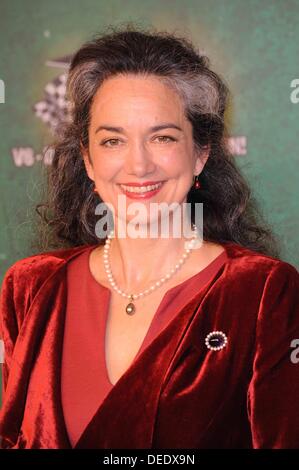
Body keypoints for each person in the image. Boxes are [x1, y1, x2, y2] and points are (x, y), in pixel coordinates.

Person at [0, 24, 299, 450]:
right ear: (87, 159)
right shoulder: (30, 289)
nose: (138, 165)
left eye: (162, 137)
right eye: (112, 140)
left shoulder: (262, 292)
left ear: (200, 154)